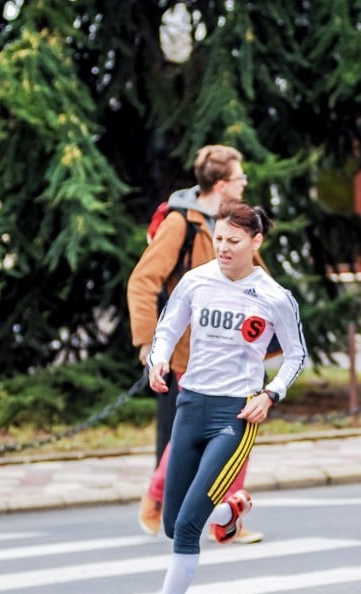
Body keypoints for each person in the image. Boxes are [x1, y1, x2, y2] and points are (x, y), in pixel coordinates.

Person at [127, 201, 307, 594]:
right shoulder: (196, 280)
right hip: (190, 405)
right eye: (220, 239)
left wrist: (271, 395)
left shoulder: (272, 295)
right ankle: (228, 515)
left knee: (186, 528)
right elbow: (168, 330)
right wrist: (158, 359)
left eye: (234, 241)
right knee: (171, 525)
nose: (224, 249)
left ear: (255, 242)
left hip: (235, 415)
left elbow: (295, 355)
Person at [128, 144, 264, 543]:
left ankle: (226, 519)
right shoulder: (182, 224)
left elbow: (253, 275)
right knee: (198, 433)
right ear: (222, 185)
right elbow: (143, 280)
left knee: (237, 429)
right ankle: (158, 497)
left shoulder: (233, 222)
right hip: (194, 350)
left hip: (237, 348)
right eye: (240, 178)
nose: (244, 184)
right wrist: (149, 343)